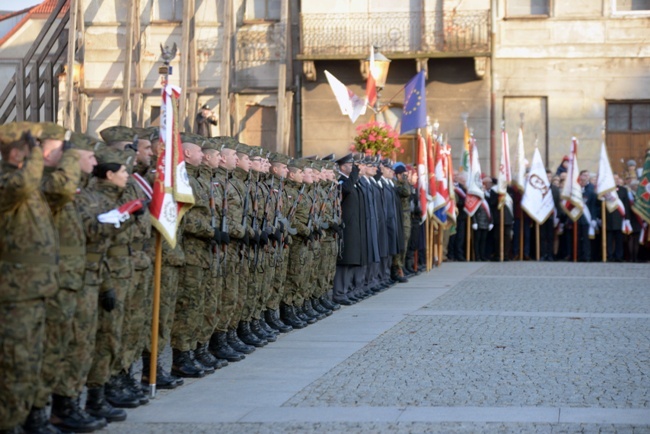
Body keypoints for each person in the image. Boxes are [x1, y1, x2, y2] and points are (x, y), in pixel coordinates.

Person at [0, 122, 59, 434]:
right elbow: (23, 184)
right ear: (18, 151)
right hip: (14, 293)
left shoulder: (27, 184)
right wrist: (38, 153)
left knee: (31, 361)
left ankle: (23, 419)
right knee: (14, 362)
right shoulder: (7, 183)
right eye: (33, 146)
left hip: (33, 290)